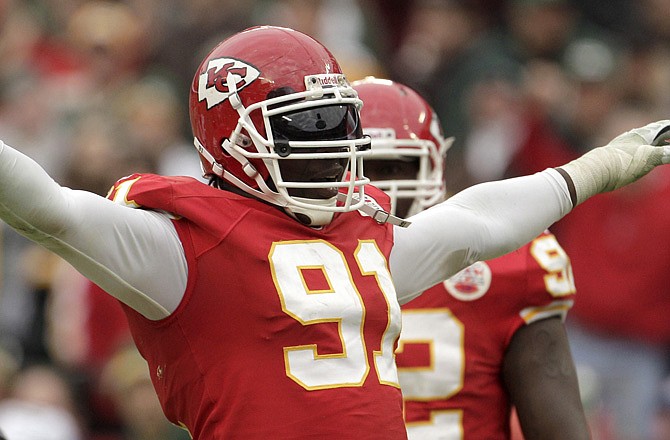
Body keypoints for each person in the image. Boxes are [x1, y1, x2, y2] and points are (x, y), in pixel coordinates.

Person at [0, 25, 668, 439]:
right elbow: (46, 207)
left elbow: (475, 222)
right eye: (309, 128)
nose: (338, 148)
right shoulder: (177, 248)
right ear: (231, 137)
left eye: (341, 124)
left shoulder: (364, 240)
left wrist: (599, 167)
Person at [353, 77, 589, 439]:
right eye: (362, 168)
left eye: (395, 166)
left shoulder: (507, 266)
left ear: (434, 166)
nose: (377, 190)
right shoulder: (285, 258)